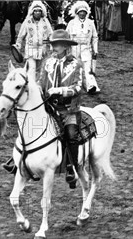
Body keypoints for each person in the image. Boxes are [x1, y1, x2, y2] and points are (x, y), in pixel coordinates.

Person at [41, 29, 84, 187]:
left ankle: (72, 167)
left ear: (66, 46)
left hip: (69, 108)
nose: (54, 47)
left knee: (71, 134)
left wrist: (60, 90)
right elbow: (41, 82)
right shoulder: (47, 62)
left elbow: (79, 87)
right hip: (50, 106)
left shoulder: (76, 64)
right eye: (53, 44)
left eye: (57, 44)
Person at [66, 1, 100, 94]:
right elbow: (67, 36)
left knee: (88, 68)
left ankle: (91, 86)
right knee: (74, 67)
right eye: (80, 12)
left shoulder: (90, 23)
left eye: (84, 12)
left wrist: (95, 50)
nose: (82, 13)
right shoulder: (71, 23)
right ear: (77, 13)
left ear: (86, 13)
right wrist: (67, 50)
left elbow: (95, 37)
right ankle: (74, 85)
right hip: (74, 47)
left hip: (86, 48)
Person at [14, 0, 53, 77]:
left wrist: (52, 46)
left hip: (42, 50)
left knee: (40, 70)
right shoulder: (27, 21)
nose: (37, 13)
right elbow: (21, 34)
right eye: (35, 11)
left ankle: (37, 86)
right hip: (30, 50)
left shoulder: (45, 21)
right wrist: (18, 44)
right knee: (31, 69)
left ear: (42, 12)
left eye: (39, 11)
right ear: (32, 12)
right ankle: (31, 85)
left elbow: (51, 34)